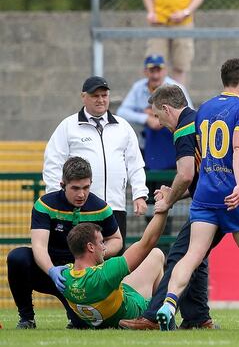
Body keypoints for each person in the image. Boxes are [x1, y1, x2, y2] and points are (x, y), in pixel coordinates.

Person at [155, 58, 239, 330]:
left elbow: (211, 149)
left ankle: (169, 303)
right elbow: (237, 148)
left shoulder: (203, 109)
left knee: (191, 255)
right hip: (234, 195)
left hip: (205, 194)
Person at [118, 84, 224, 330]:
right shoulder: (201, 121)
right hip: (226, 199)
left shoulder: (184, 128)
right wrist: (173, 193)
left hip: (213, 205)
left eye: (157, 115)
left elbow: (186, 175)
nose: (158, 121)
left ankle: (153, 317)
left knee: (179, 256)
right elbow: (198, 178)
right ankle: (199, 318)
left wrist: (167, 200)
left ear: (166, 108)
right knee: (199, 257)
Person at [7, 157, 122, 329]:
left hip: (80, 276)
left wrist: (98, 254)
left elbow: (117, 239)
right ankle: (26, 318)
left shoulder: (101, 208)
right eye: (75, 188)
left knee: (81, 326)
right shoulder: (45, 205)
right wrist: (52, 271)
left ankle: (74, 315)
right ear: (62, 184)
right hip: (49, 271)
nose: (81, 194)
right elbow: (38, 246)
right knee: (17, 257)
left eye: (86, 187)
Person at [43, 76, 148, 241]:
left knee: (114, 259)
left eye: (104, 95)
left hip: (115, 207)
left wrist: (140, 194)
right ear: (83, 97)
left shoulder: (123, 127)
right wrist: (57, 199)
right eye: (95, 96)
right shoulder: (68, 126)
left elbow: (135, 164)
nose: (100, 100)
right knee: (83, 257)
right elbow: (52, 164)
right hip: (82, 209)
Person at [60, 197, 172, 328]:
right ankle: (154, 317)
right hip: (132, 312)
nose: (104, 247)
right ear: (90, 247)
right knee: (156, 254)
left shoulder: (64, 276)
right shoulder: (105, 273)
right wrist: (164, 207)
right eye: (101, 242)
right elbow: (148, 242)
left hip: (104, 314)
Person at [118, 54, 193, 202]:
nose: (156, 75)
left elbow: (188, 113)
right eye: (152, 71)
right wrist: (146, 118)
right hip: (148, 148)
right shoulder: (138, 88)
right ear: (145, 72)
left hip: (171, 146)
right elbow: (122, 112)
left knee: (169, 190)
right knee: (150, 192)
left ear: (165, 71)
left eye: (159, 70)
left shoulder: (176, 88)